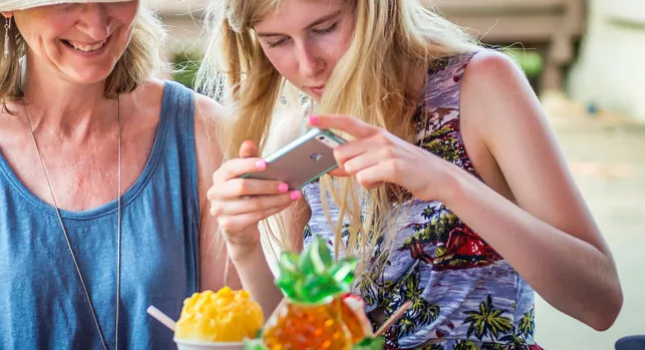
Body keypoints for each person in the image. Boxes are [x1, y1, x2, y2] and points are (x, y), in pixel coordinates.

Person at [197, 0, 623, 348]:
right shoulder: (305, 138)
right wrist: (244, 246)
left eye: (324, 28)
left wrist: (446, 181)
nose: (308, 66)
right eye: (276, 41)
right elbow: (294, 334)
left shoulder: (480, 87)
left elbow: (599, 303)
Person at [0, 0, 238, 348]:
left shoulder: (202, 132)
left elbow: (236, 331)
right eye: (65, 1)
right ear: (8, 8)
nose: (96, 25)